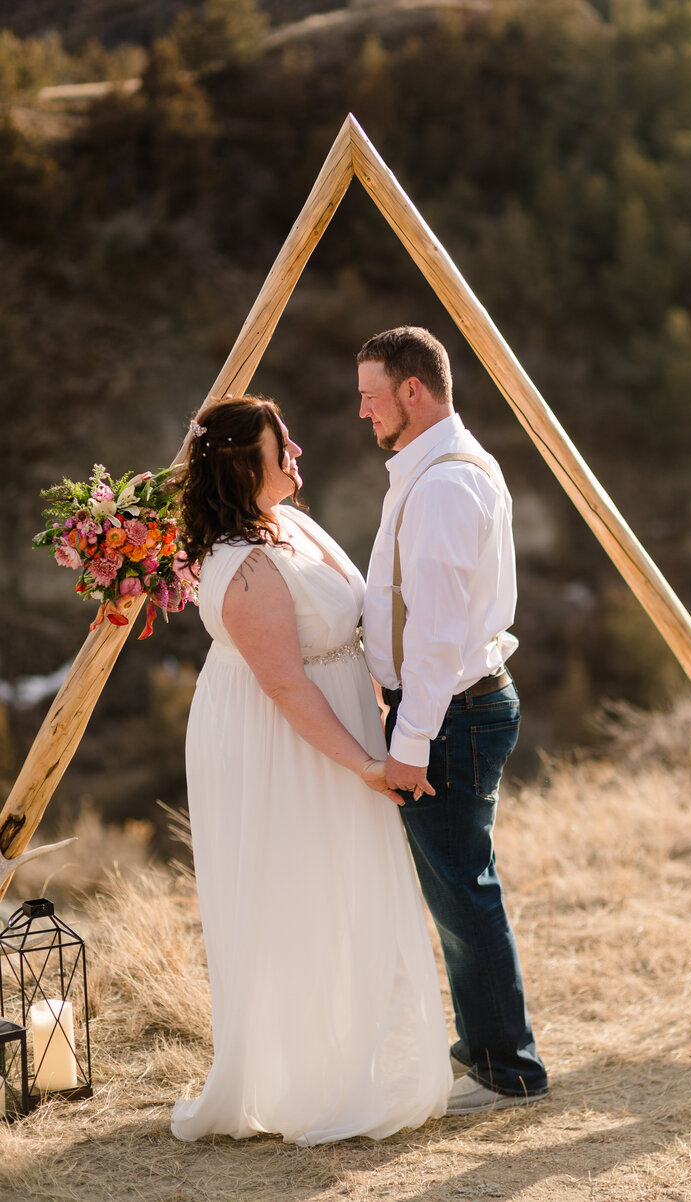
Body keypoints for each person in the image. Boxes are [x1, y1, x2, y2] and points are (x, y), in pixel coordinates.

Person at [170, 395, 451, 1146]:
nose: (297, 449)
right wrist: (363, 760)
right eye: (279, 442)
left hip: (332, 720)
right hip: (282, 739)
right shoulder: (245, 564)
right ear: (240, 463)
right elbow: (285, 682)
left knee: (346, 883)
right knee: (298, 889)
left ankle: (348, 1060)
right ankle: (305, 1083)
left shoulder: (286, 523)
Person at [358, 327, 548, 1115]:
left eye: (371, 395)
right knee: (459, 889)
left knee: (465, 893)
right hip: (457, 708)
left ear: (412, 391)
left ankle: (509, 1072)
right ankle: (485, 1053)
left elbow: (434, 637)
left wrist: (410, 742)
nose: (362, 411)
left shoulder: (439, 484)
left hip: (452, 715)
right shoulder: (436, 469)